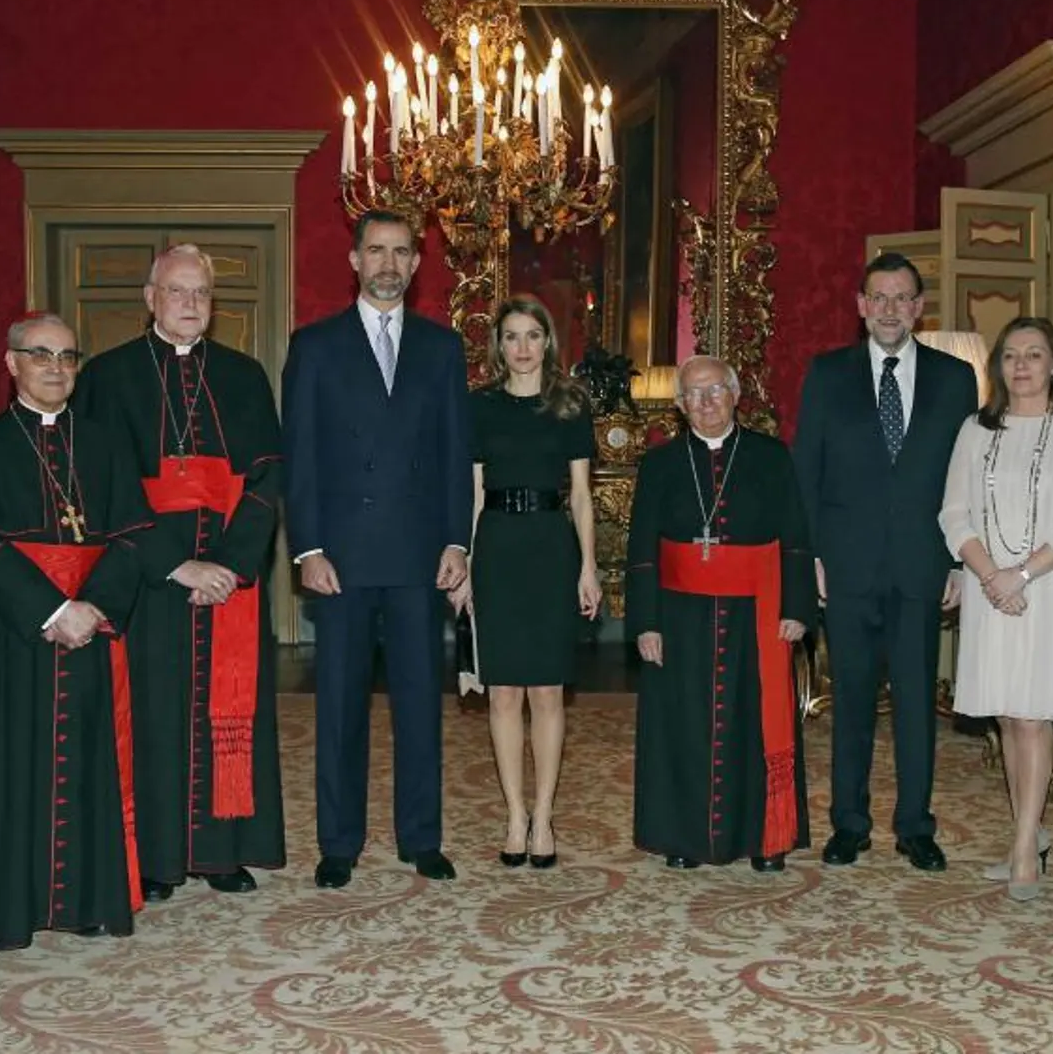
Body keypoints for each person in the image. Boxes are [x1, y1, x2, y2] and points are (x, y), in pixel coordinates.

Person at [0, 314, 155, 952]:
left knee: (88, 764)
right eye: (40, 355)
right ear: (11, 364)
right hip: (15, 636)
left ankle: (86, 900)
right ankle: (8, 910)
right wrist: (53, 613)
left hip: (91, 626)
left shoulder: (107, 442)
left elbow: (132, 538)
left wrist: (93, 607)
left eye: (66, 356)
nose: (56, 368)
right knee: (9, 769)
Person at [74, 244, 286, 898]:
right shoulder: (108, 377)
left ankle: (222, 851)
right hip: (150, 577)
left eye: (200, 293)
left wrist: (228, 563)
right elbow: (104, 486)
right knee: (154, 714)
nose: (190, 304)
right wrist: (178, 565)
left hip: (229, 578)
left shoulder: (245, 375)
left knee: (231, 708)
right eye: (177, 291)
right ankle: (157, 857)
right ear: (150, 297)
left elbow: (270, 474)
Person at [284, 209, 472, 888]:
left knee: (421, 701)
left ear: (417, 265)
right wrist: (307, 548)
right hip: (343, 556)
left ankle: (421, 836)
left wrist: (458, 540)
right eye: (377, 251)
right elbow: (299, 456)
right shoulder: (316, 346)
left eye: (401, 252)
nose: (389, 264)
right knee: (339, 703)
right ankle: (339, 841)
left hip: (420, 555)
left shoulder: (441, 347)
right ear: (355, 261)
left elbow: (456, 453)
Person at [790, 252, 975, 872]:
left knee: (919, 702)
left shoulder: (956, 379)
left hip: (924, 565)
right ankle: (849, 823)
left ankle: (916, 826)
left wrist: (957, 561)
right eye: (879, 297)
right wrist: (810, 554)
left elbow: (963, 479)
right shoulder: (827, 373)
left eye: (903, 298)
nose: (891, 309)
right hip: (845, 566)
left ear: (921, 307)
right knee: (852, 701)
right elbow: (805, 474)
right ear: (861, 305)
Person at [627, 355, 816, 871]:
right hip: (679, 616)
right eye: (693, 394)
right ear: (680, 405)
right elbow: (642, 548)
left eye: (714, 391)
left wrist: (797, 609)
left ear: (735, 395)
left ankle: (764, 839)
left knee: (753, 723)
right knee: (682, 725)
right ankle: (685, 839)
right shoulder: (661, 462)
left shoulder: (770, 456)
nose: (705, 402)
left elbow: (796, 539)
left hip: (756, 613)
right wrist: (645, 623)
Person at [937, 317, 1053, 900]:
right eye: (1011, 356)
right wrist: (989, 575)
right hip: (990, 593)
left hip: (1052, 588)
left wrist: (1022, 574)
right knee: (1007, 715)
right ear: (998, 368)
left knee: (1036, 717)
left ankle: (1025, 846)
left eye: (1035, 355)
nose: (1022, 366)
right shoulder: (976, 430)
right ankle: (1026, 831)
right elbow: (954, 512)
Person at [450, 296, 600, 869]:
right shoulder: (479, 407)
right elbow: (473, 493)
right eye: (511, 337)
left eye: (532, 336)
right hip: (497, 549)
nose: (521, 348)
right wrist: (462, 563)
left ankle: (545, 814)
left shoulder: (569, 405)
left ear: (548, 342)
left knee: (547, 691)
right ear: (498, 345)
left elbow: (583, 496)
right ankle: (514, 814)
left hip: (549, 548)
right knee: (503, 690)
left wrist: (588, 567)